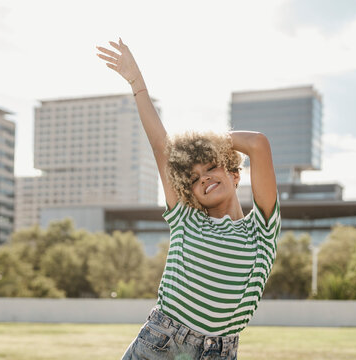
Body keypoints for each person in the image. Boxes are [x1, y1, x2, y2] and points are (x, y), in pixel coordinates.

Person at [96, 38, 281, 360]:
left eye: (211, 167)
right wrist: (137, 83)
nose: (205, 178)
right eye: (194, 179)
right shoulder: (186, 220)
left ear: (235, 175)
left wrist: (202, 142)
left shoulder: (262, 230)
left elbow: (258, 144)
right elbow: (161, 147)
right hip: (162, 343)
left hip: (220, 352)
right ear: (186, 191)